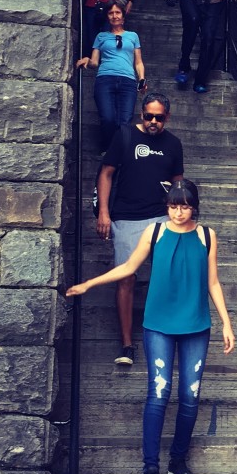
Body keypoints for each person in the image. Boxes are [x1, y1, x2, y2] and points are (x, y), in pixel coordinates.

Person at [66, 178, 235, 474]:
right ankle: (150, 471)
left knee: (190, 394)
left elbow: (213, 282)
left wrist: (226, 323)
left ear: (194, 207)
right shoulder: (154, 232)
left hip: (196, 325)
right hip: (158, 324)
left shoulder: (207, 236)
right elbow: (128, 267)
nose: (178, 213)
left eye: (184, 207)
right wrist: (90, 283)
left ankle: (177, 461)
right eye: (173, 206)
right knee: (159, 392)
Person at [93, 93, 185, 365]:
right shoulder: (125, 135)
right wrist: (104, 212)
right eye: (148, 116)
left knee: (169, 275)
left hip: (162, 217)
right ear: (141, 113)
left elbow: (178, 184)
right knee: (126, 278)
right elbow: (106, 174)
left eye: (159, 117)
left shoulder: (174, 144)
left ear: (167, 117)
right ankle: (126, 345)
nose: (153, 121)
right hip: (126, 217)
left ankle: (168, 334)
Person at [75, 1, 145, 150]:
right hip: (105, 80)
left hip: (128, 82)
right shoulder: (101, 36)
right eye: (111, 13)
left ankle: (119, 153)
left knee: (125, 121)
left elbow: (138, 62)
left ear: (123, 15)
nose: (114, 16)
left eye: (117, 12)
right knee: (108, 119)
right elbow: (95, 62)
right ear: (107, 16)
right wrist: (87, 60)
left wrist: (142, 79)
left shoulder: (133, 36)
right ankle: (107, 149)